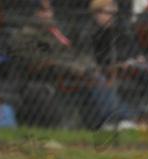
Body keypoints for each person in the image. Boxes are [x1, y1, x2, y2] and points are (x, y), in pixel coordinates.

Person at [10, 0, 137, 130]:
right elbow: (38, 61)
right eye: (44, 11)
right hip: (49, 76)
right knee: (94, 78)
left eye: (49, 10)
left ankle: (121, 118)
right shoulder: (24, 35)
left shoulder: (55, 32)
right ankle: (115, 119)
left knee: (95, 76)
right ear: (33, 14)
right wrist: (74, 68)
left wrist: (89, 65)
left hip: (73, 73)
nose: (49, 14)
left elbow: (76, 54)